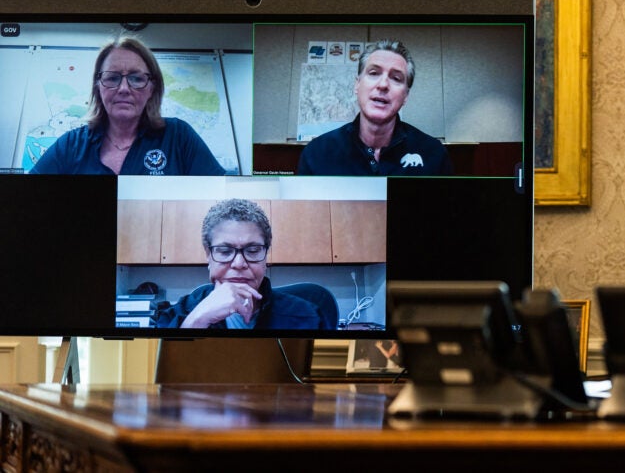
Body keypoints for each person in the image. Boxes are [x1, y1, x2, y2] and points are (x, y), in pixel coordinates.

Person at [30, 36, 224, 175]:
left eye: (136, 78)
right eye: (112, 78)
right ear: (98, 87)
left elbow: (220, 199)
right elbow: (28, 198)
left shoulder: (179, 136)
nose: (123, 88)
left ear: (151, 88)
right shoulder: (71, 145)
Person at [154, 199, 330, 330]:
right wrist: (197, 321)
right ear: (208, 255)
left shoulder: (310, 317)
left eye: (252, 250)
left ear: (265, 256)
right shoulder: (177, 315)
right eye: (224, 251)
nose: (239, 264)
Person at [296, 39, 453, 176]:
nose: (383, 84)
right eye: (374, 73)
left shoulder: (433, 154)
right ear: (357, 84)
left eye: (396, 78)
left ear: (405, 96)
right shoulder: (317, 153)